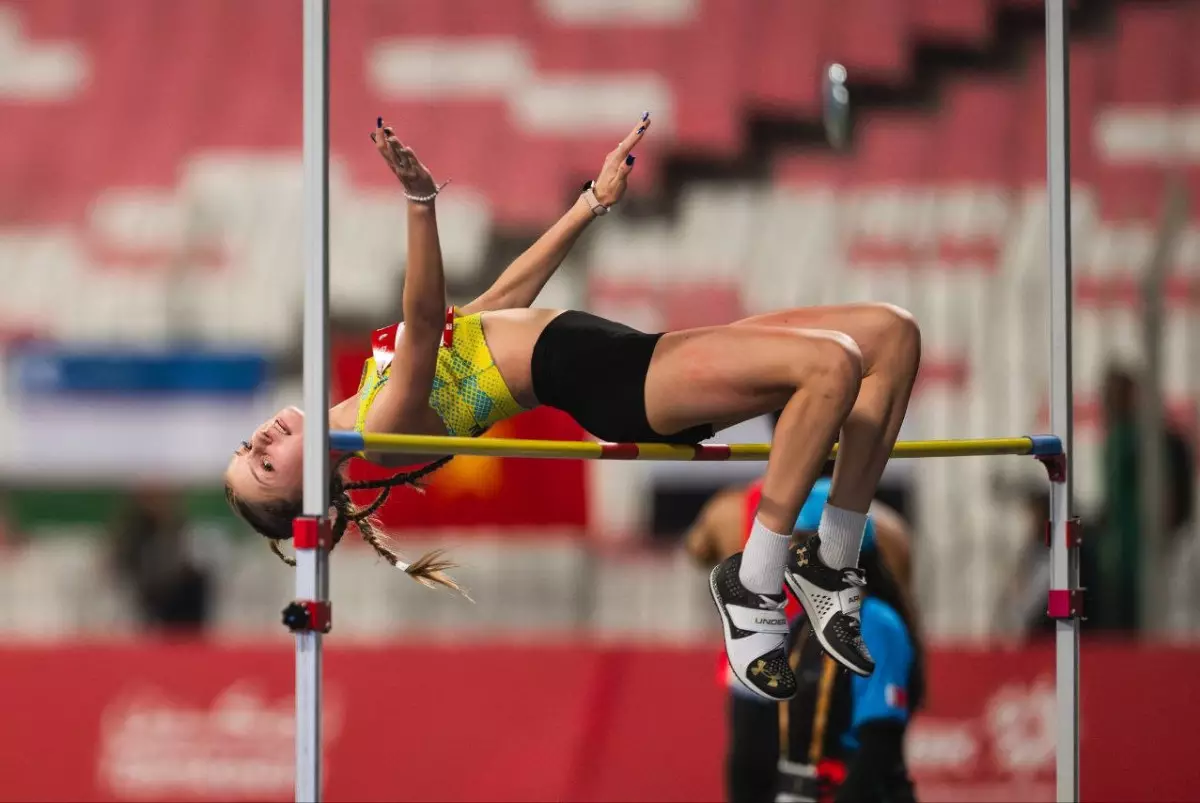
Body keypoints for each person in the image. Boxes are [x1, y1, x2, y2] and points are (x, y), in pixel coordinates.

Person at [224, 114, 922, 690]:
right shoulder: (380, 435)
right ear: (311, 488)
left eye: (244, 447)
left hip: (632, 353)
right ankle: (756, 582)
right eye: (263, 465)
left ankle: (831, 563)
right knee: (832, 365)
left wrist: (589, 205)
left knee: (892, 336)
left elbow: (493, 308)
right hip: (623, 385)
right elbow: (429, 320)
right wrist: (421, 205)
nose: (257, 443)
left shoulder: (362, 399)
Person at [688, 470, 922, 803]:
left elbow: (879, 743)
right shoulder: (806, 626)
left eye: (801, 542)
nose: (791, 556)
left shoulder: (876, 623)